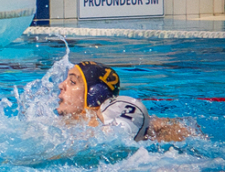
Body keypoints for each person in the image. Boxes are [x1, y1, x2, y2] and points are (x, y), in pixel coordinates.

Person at [56, 60, 192, 142]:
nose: (61, 85)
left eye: (72, 82)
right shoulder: (62, 125)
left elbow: (185, 131)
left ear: (93, 95)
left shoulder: (117, 119)